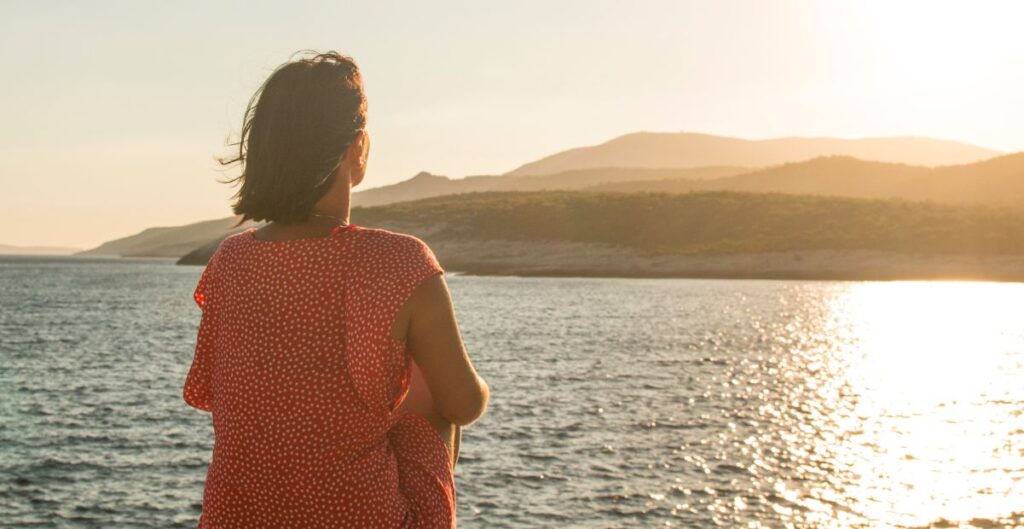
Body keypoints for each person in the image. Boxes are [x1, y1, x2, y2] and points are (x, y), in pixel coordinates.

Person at [182, 50, 489, 529]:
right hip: (359, 518)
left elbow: (228, 397)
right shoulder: (401, 261)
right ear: (358, 148)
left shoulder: (229, 261)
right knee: (428, 393)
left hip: (233, 519)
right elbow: (463, 404)